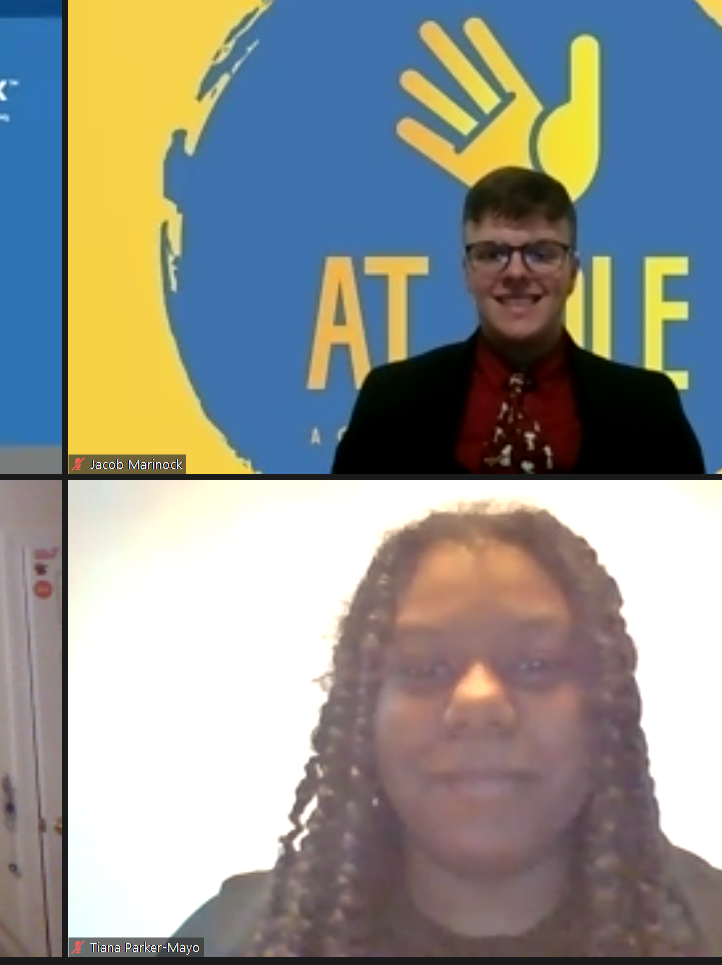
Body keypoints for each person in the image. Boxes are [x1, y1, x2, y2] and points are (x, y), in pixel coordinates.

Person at [169, 502, 722, 956]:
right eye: (425, 670)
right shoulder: (223, 938)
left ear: (606, 703)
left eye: (536, 665)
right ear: (363, 715)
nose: (478, 702)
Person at [331, 166, 704, 474]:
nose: (515, 273)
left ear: (573, 272)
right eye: (492, 254)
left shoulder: (650, 408)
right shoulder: (391, 400)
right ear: (467, 272)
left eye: (541, 253)